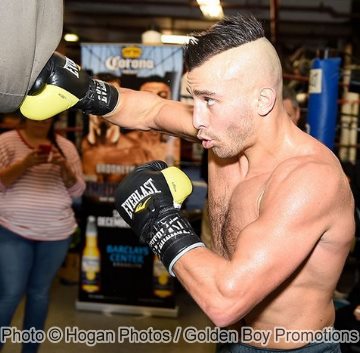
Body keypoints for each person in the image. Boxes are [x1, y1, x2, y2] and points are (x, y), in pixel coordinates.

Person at [24, 14, 354, 352]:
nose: (197, 118)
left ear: (263, 100)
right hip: (228, 340)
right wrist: (85, 91)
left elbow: (226, 300)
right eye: (194, 99)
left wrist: (158, 220)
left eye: (209, 100)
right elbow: (151, 110)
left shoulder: (309, 180)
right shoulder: (224, 133)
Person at [0, 117, 85, 353]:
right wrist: (24, 164)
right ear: (24, 116)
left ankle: (30, 350)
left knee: (39, 294)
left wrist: (63, 167)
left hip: (56, 232)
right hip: (12, 229)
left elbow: (78, 190)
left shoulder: (65, 147)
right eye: (36, 116)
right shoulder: (6, 141)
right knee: (10, 293)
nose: (41, 121)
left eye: (47, 116)